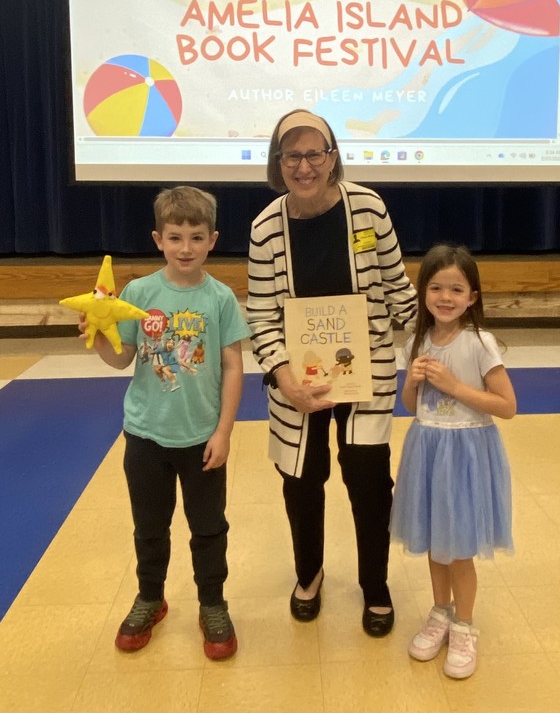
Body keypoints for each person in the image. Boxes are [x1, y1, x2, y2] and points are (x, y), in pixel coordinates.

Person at [247, 110, 417, 637]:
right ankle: (309, 574)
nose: (304, 166)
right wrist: (282, 375)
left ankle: (376, 585)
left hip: (365, 373)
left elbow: (396, 285)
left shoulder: (368, 208)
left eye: (313, 153)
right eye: (292, 155)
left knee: (369, 482)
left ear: (333, 156)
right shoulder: (264, 228)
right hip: (298, 383)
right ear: (279, 163)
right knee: (302, 479)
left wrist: (444, 340)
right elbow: (260, 314)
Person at [79, 186, 248, 660]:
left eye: (197, 236)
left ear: (213, 239)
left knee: (209, 528)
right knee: (149, 527)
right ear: (158, 238)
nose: (186, 247)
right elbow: (121, 358)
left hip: (203, 441)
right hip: (146, 436)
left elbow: (233, 366)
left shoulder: (221, 299)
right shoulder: (139, 292)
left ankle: (212, 602)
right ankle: (150, 597)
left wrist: (224, 432)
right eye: (176, 237)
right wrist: (96, 334)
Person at [390, 243, 516, 679]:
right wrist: (413, 381)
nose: (445, 297)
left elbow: (506, 406)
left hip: (465, 454)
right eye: (436, 287)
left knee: (459, 550)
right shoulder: (417, 341)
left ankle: (464, 625)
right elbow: (411, 405)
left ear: (472, 297)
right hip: (427, 449)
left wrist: (454, 384)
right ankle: (440, 612)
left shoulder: (480, 342)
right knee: (434, 543)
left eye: (456, 289)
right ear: (423, 291)